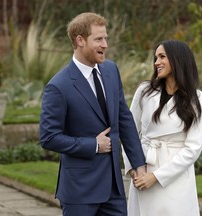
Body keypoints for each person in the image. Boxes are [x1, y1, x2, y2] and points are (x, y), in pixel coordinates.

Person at [39, 12, 146, 216]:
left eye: (105, 38)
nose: (105, 44)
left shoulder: (111, 70)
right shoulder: (58, 86)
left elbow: (124, 120)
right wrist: (94, 145)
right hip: (80, 192)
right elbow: (48, 137)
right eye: (98, 39)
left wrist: (138, 163)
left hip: (114, 189)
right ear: (80, 40)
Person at [122, 39, 202, 216]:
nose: (156, 63)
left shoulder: (198, 100)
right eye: (155, 58)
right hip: (142, 169)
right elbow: (128, 130)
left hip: (174, 177)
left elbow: (192, 149)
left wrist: (156, 177)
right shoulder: (144, 91)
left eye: (162, 57)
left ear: (178, 60)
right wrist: (133, 167)